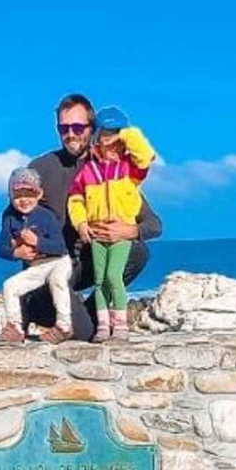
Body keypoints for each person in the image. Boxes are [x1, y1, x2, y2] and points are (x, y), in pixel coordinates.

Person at [22, 93, 163, 340]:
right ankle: (36, 306)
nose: (71, 134)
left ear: (93, 127)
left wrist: (129, 231)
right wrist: (19, 245)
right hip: (50, 267)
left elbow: (154, 225)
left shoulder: (111, 169)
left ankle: (90, 312)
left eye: (78, 127)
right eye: (64, 128)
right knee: (86, 334)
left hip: (87, 263)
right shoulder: (41, 168)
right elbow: (14, 216)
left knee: (138, 251)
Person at [66, 105, 157, 341]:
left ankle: (121, 325)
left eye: (118, 142)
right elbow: (76, 200)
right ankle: (103, 325)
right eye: (107, 140)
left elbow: (145, 155)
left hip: (121, 233)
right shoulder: (88, 171)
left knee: (113, 276)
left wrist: (125, 132)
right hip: (96, 234)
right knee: (99, 280)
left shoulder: (129, 170)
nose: (114, 147)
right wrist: (81, 223)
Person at [0, 166, 74, 343]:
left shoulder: (46, 216)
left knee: (58, 281)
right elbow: (0, 247)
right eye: (18, 195)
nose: (24, 200)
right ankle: (15, 327)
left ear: (39, 195)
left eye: (29, 194)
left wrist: (37, 242)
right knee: (9, 286)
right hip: (37, 267)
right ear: (11, 196)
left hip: (58, 262)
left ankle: (64, 325)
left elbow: (60, 247)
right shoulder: (9, 218)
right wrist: (16, 252)